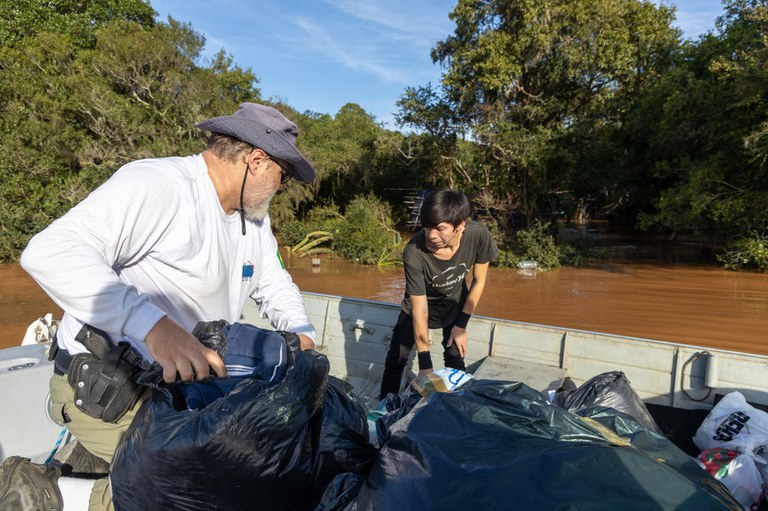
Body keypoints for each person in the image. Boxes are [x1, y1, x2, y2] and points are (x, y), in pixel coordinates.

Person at [0, 103, 317, 511]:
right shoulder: (160, 185)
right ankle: (48, 495)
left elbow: (274, 282)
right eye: (283, 175)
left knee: (244, 469)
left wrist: (301, 330)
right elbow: (48, 252)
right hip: (107, 388)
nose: (282, 186)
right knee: (192, 495)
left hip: (177, 386)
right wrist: (153, 326)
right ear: (257, 161)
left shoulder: (253, 220)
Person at [379, 189, 499, 399]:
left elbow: (479, 281)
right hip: (418, 307)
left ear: (460, 224)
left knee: (455, 356)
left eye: (440, 228)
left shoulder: (478, 235)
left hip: (454, 303)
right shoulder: (414, 252)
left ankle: (459, 405)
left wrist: (461, 325)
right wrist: (425, 365)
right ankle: (383, 407)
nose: (431, 235)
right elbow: (420, 307)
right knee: (397, 357)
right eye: (427, 227)